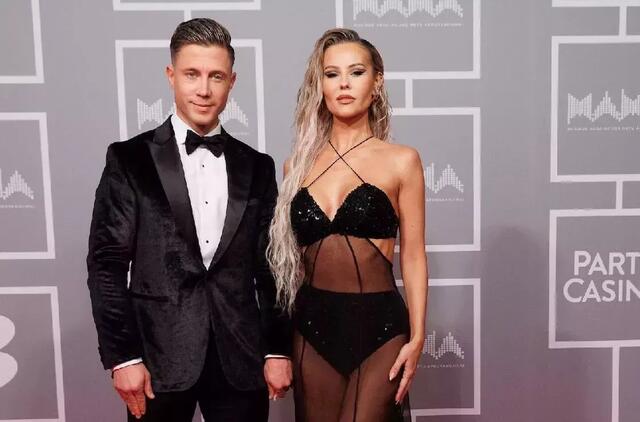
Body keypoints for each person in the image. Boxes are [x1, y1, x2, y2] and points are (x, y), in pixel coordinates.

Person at [87, 18, 291, 422]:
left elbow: (272, 267)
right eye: (191, 74)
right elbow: (106, 265)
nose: (204, 89)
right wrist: (123, 356)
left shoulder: (258, 166)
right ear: (171, 75)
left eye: (216, 76)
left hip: (241, 357)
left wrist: (277, 348)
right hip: (157, 358)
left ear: (232, 81)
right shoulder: (129, 159)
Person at [267, 28, 428, 421]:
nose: (343, 84)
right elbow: (289, 268)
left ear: (377, 82)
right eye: (331, 73)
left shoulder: (401, 161)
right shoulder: (295, 167)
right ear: (320, 84)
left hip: (380, 330)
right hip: (311, 330)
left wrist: (418, 335)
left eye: (356, 72)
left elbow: (413, 255)